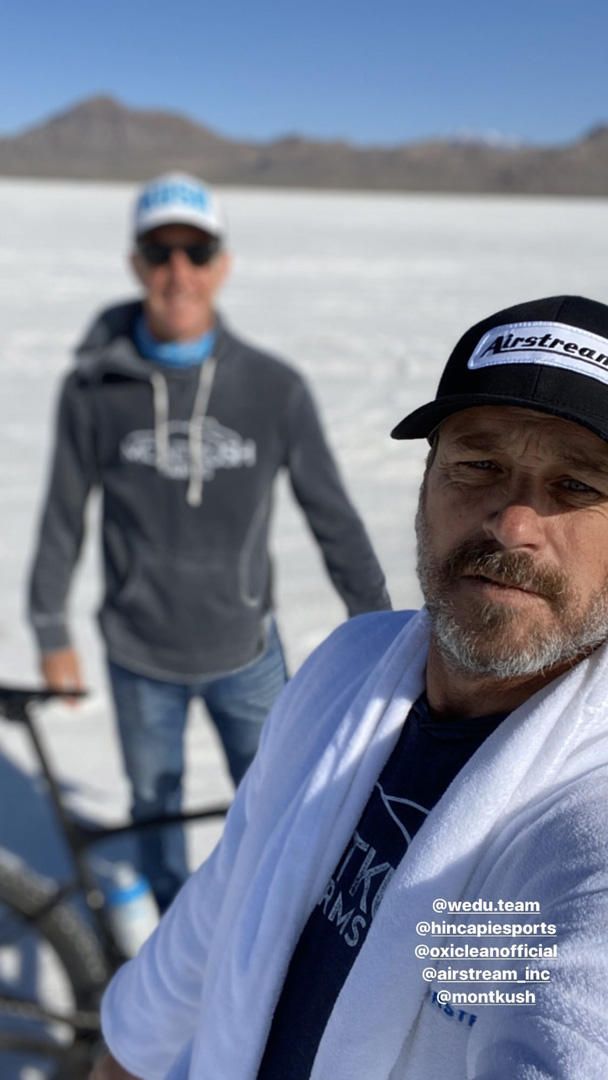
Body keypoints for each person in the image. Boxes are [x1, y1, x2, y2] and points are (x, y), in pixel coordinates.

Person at [94, 293, 608, 1080]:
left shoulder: (584, 827)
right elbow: (227, 896)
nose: (512, 523)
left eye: (575, 484)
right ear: (427, 483)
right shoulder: (348, 669)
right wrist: (127, 1053)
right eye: (478, 465)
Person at [28, 172, 391, 911]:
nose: (178, 272)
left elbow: (332, 516)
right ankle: (170, 926)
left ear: (222, 264)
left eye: (196, 251)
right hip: (138, 653)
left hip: (246, 652)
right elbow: (63, 513)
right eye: (159, 252)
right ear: (135, 264)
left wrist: (381, 631)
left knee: (280, 806)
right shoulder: (93, 389)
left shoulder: (274, 388)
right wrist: (50, 628)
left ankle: (264, 933)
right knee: (153, 806)